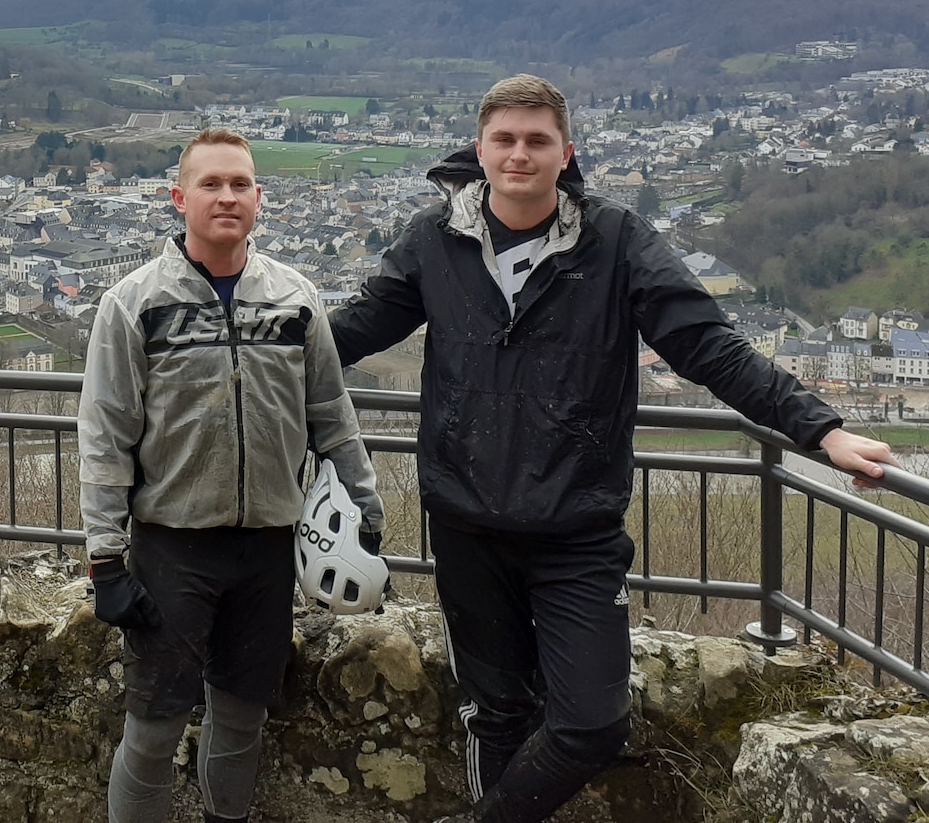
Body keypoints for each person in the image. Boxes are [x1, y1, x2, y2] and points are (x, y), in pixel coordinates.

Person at [332, 75, 897, 823]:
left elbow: (708, 347)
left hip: (576, 530)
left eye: (537, 141)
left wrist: (821, 430)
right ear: (480, 149)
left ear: (566, 154)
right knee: (497, 714)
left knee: (593, 722)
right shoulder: (434, 242)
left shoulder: (616, 240)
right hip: (467, 525)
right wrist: (233, 343)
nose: (520, 155)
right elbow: (346, 334)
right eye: (505, 140)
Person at [79, 128, 386, 823]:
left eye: (240, 184)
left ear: (259, 198)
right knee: (153, 730)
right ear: (178, 197)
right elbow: (105, 435)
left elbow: (332, 414)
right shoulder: (133, 304)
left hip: (269, 547)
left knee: (242, 721)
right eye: (212, 184)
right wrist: (105, 558)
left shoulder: (297, 299)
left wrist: (364, 504)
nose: (227, 197)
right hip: (170, 546)